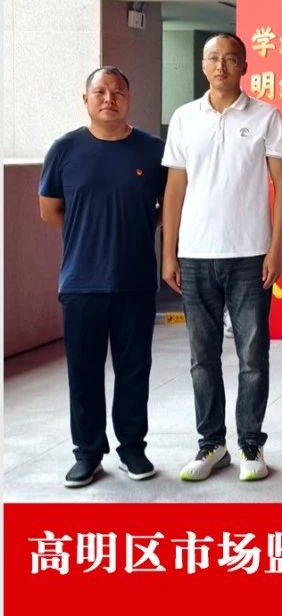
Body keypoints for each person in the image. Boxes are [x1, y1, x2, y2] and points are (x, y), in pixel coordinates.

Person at [161, 34, 282, 482]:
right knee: (203, 357)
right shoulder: (184, 118)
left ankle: (250, 444)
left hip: (250, 255)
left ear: (244, 66)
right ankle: (211, 444)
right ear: (203, 65)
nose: (221, 66)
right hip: (196, 256)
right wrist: (170, 252)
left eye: (230, 59)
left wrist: (276, 247)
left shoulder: (266, 116)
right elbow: (174, 189)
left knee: (253, 356)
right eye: (213, 59)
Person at [38, 67, 167, 487]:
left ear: (129, 98)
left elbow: (168, 205)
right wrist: (88, 235)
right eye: (100, 92)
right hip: (81, 282)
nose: (109, 98)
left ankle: (132, 449)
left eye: (117, 91)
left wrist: (140, 228)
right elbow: (50, 210)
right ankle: (88, 453)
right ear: (86, 99)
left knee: (134, 371)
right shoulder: (65, 149)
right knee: (84, 374)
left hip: (135, 280)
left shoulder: (152, 150)